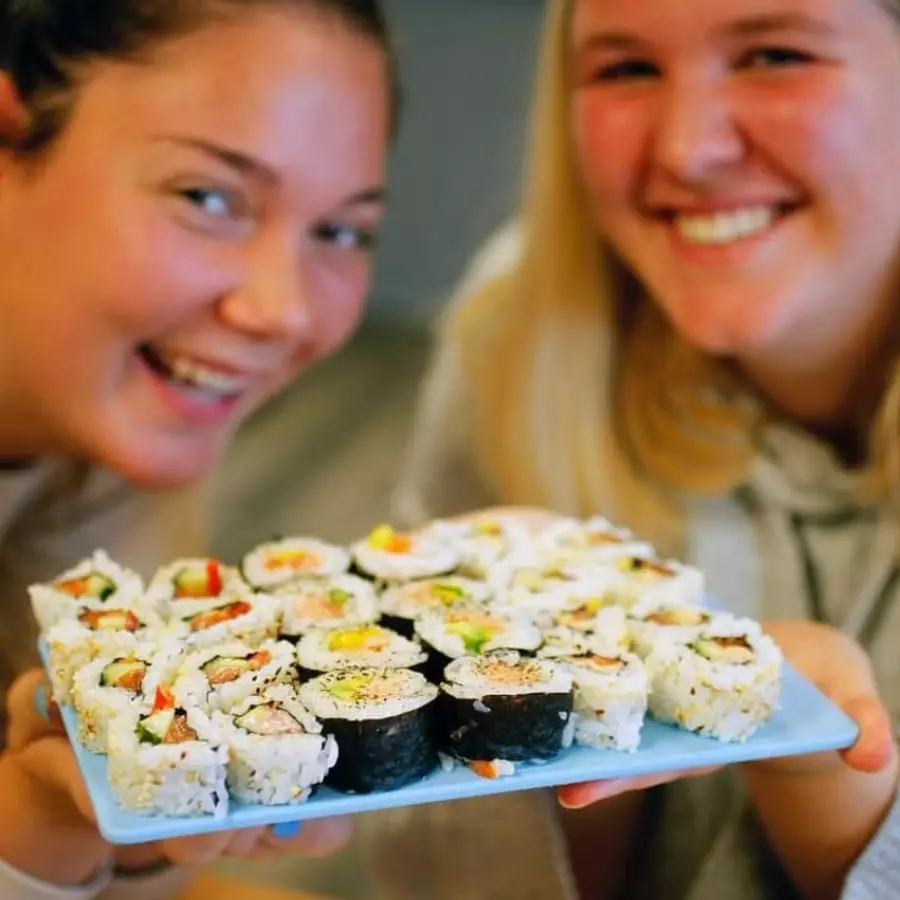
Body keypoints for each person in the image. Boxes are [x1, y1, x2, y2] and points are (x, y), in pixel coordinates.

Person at [373, 0, 900, 897]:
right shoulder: (522, 332)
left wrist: (813, 764)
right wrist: (562, 726)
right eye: (625, 68)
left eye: (775, 54)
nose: (688, 150)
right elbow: (442, 865)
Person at [0, 0, 394, 897]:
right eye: (206, 197)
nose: (283, 311)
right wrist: (37, 821)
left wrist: (138, 834)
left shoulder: (113, 448)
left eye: (340, 231)